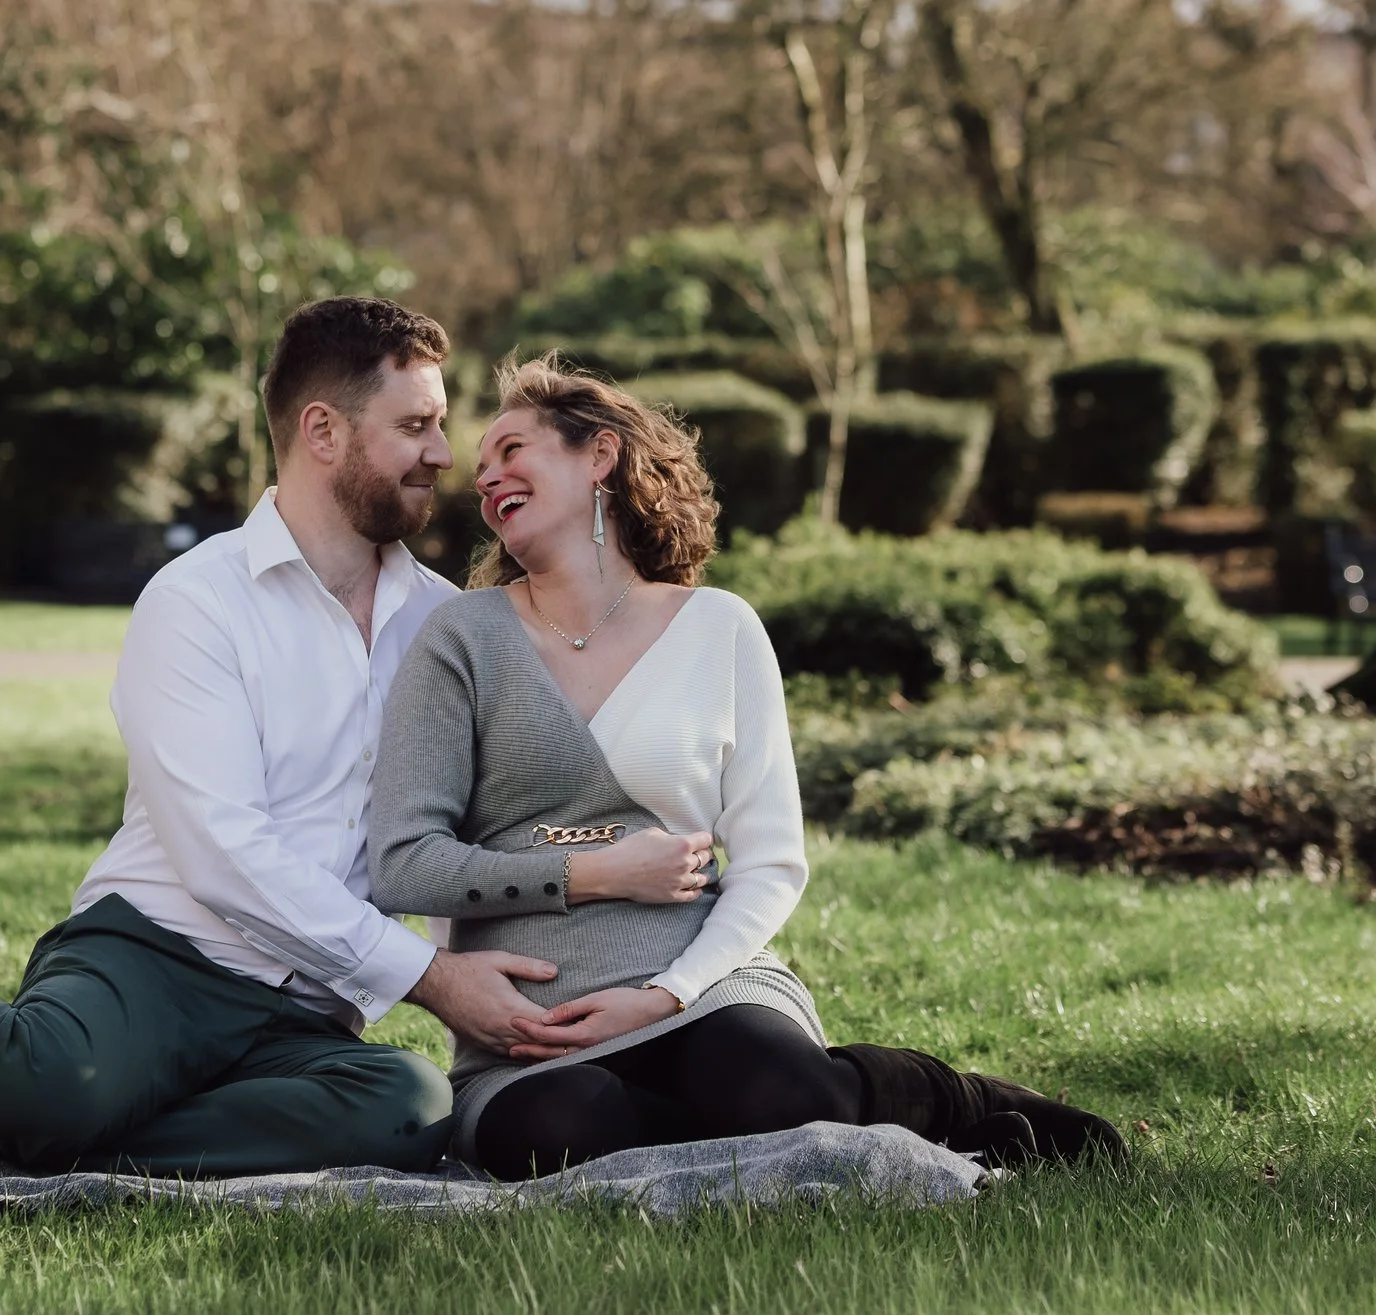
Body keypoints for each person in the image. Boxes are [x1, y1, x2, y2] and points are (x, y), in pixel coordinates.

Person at [0, 298, 562, 1177]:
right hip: (155, 958)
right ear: (323, 431)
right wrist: (432, 976)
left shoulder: (443, 626)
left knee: (407, 1104)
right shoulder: (197, 601)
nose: (446, 453)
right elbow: (221, 854)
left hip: (308, 1011)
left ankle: (15, 1137)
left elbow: (446, 835)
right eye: (416, 426)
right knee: (69, 1079)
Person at [368, 358, 1129, 1181]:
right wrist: (585, 872)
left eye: (511, 449)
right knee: (559, 1139)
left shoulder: (718, 628)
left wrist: (668, 993)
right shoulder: (461, 636)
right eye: (481, 472)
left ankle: (949, 1103)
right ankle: (826, 1144)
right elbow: (406, 863)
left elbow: (771, 861)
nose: (488, 478)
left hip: (700, 984)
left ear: (600, 456)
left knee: (776, 1090)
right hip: (533, 1029)